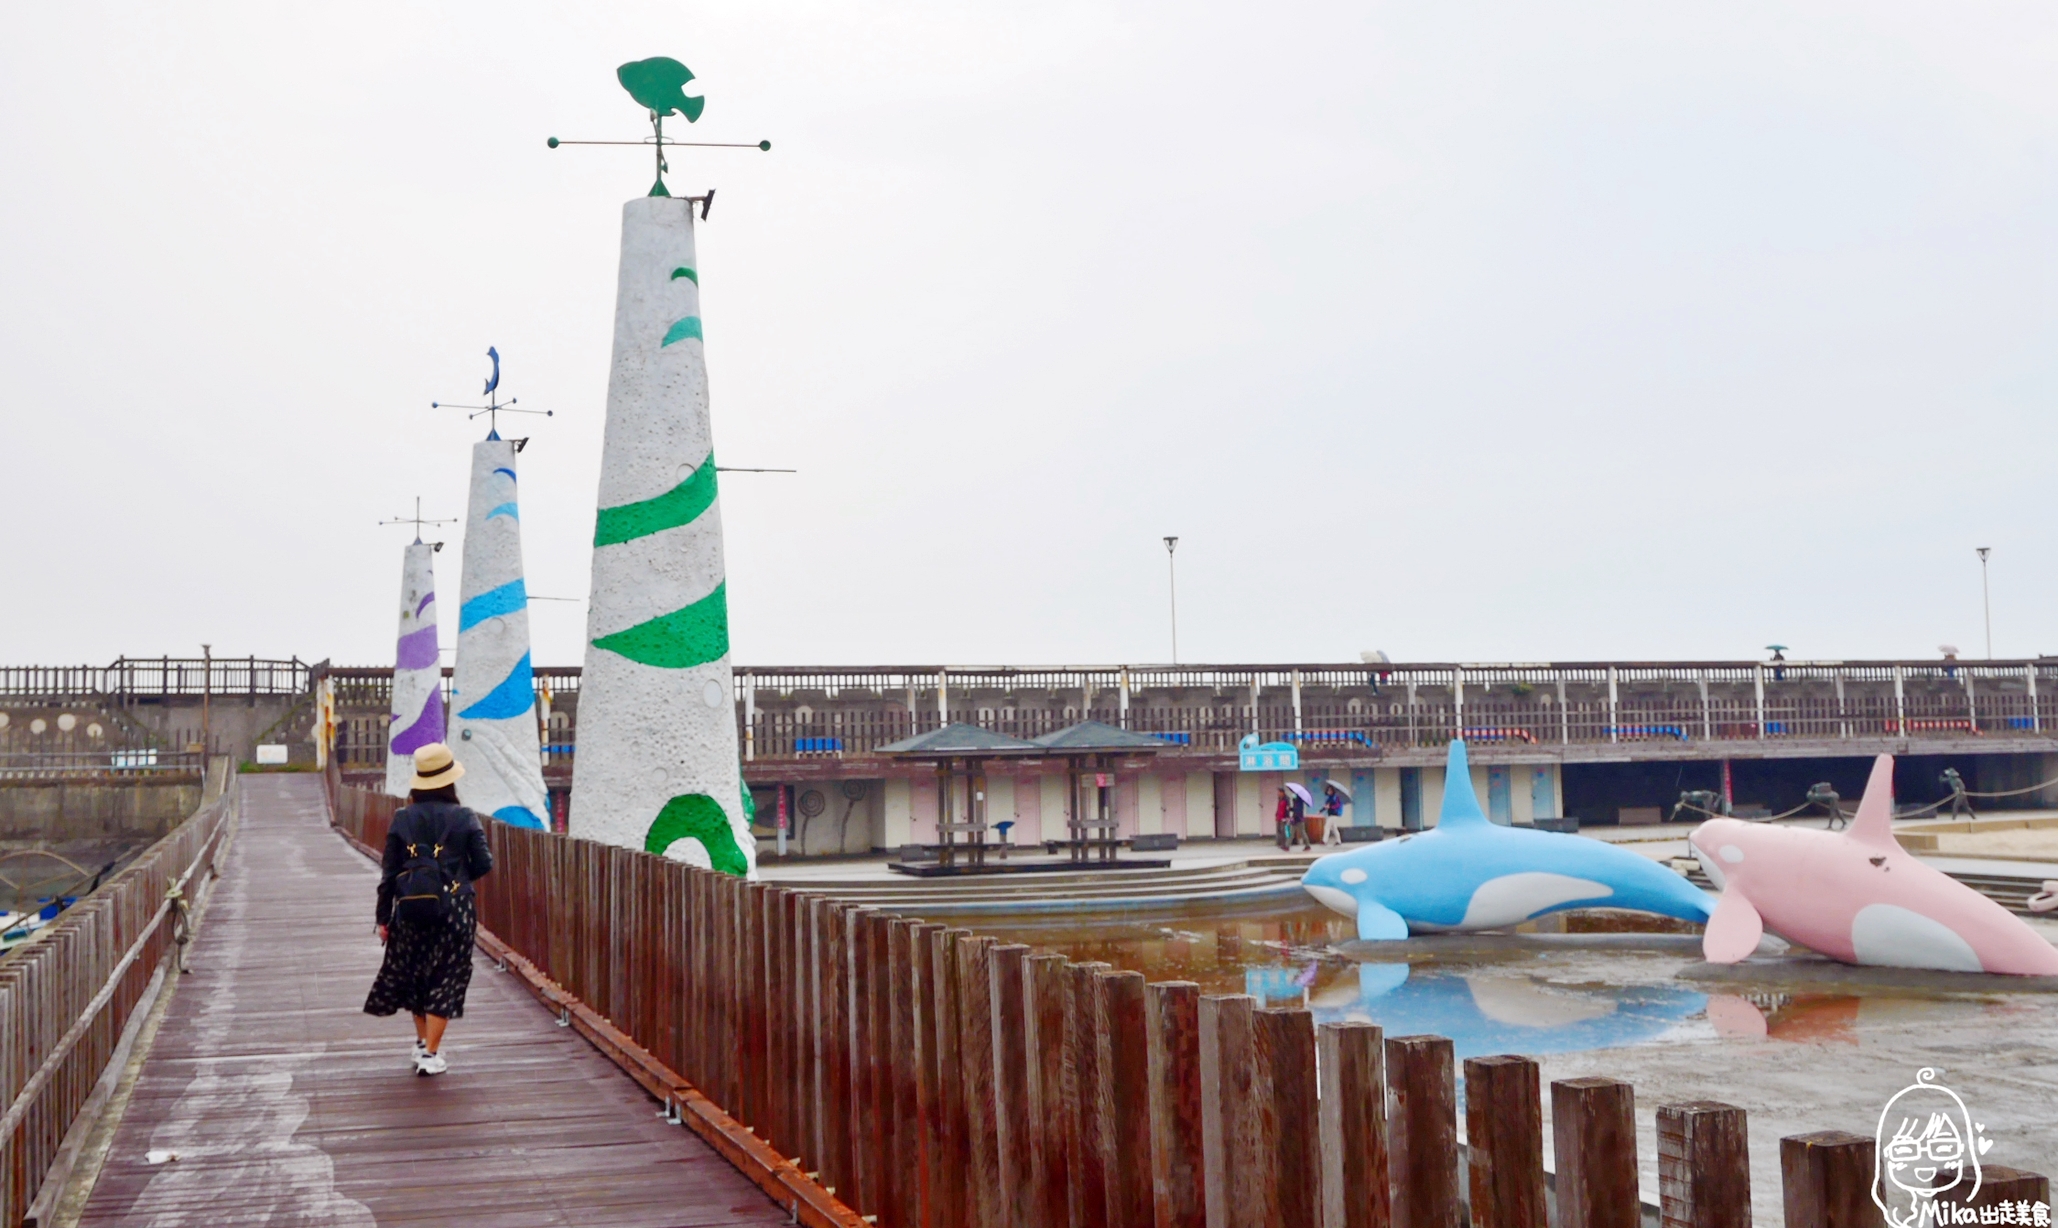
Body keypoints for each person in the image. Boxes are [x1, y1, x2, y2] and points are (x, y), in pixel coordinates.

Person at [364, 743, 493, 1076]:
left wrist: (382, 917)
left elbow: (389, 872)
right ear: (450, 780)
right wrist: (457, 879)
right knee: (447, 977)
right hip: (455, 910)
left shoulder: (402, 818)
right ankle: (431, 1055)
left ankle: (423, 1043)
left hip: (409, 909)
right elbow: (483, 862)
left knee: (417, 975)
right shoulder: (464, 817)